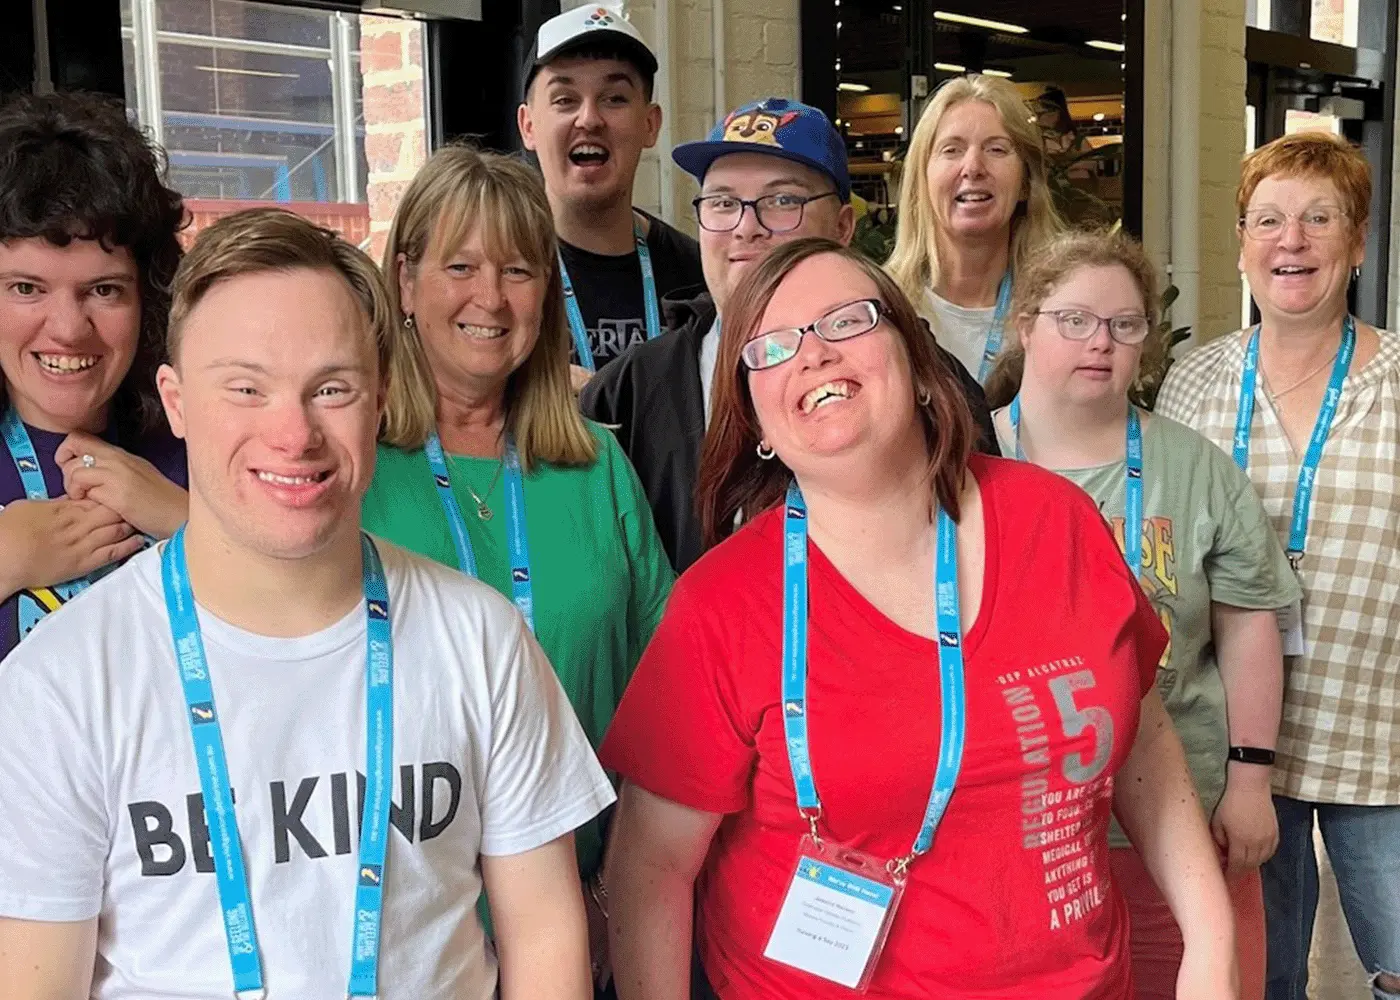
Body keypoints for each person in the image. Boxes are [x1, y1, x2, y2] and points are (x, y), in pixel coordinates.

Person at [599, 237, 1239, 1000]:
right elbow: (652, 868)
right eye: (771, 346)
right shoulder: (722, 606)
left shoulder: (1055, 522)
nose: (813, 355)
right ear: (757, 420)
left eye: (846, 321)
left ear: (918, 364)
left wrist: (1211, 941)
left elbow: (1145, 739)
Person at [0, 208, 612, 1000]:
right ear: (178, 402)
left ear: (381, 397)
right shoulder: (59, 682)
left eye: (331, 388)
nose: (293, 434)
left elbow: (545, 939)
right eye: (246, 388)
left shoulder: (481, 638)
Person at [360, 144, 674, 992]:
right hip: (411, 928)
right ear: (404, 282)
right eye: (459, 266)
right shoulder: (348, 467)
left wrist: (613, 895)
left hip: (588, 902)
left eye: (518, 270)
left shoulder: (596, 466)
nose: (490, 299)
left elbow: (666, 702)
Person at [984, 228, 1300, 1000]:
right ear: (1026, 325)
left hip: (1178, 815)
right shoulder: (966, 461)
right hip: (1014, 823)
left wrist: (1250, 778)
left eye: (1125, 326)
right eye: (1076, 320)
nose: (1102, 343)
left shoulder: (1193, 468)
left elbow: (1249, 625)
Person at [1156, 131, 1400, 1000]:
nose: (1289, 241)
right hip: (1234, 745)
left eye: (1317, 219)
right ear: (1243, 243)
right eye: (1267, 220)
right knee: (1262, 976)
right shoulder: (1194, 381)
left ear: (1358, 242)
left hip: (1381, 739)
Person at [581, 97, 996, 572]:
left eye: (782, 201)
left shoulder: (925, 379)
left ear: (842, 226)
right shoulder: (628, 392)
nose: (747, 227)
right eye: (722, 203)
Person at [0, 90, 188, 660]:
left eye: (103, 290)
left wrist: (185, 523)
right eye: (26, 288)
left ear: (149, 298)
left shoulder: (202, 442)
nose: (68, 330)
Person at [517, 3, 702, 381]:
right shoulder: (496, 276)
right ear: (529, 125)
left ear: (651, 125)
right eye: (565, 100)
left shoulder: (698, 276)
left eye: (614, 98)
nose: (589, 119)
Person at [886, 73, 1065, 384]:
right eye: (951, 150)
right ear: (922, 178)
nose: (972, 168)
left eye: (996, 149)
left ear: (1026, 182)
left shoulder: (1061, 312)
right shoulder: (883, 308)